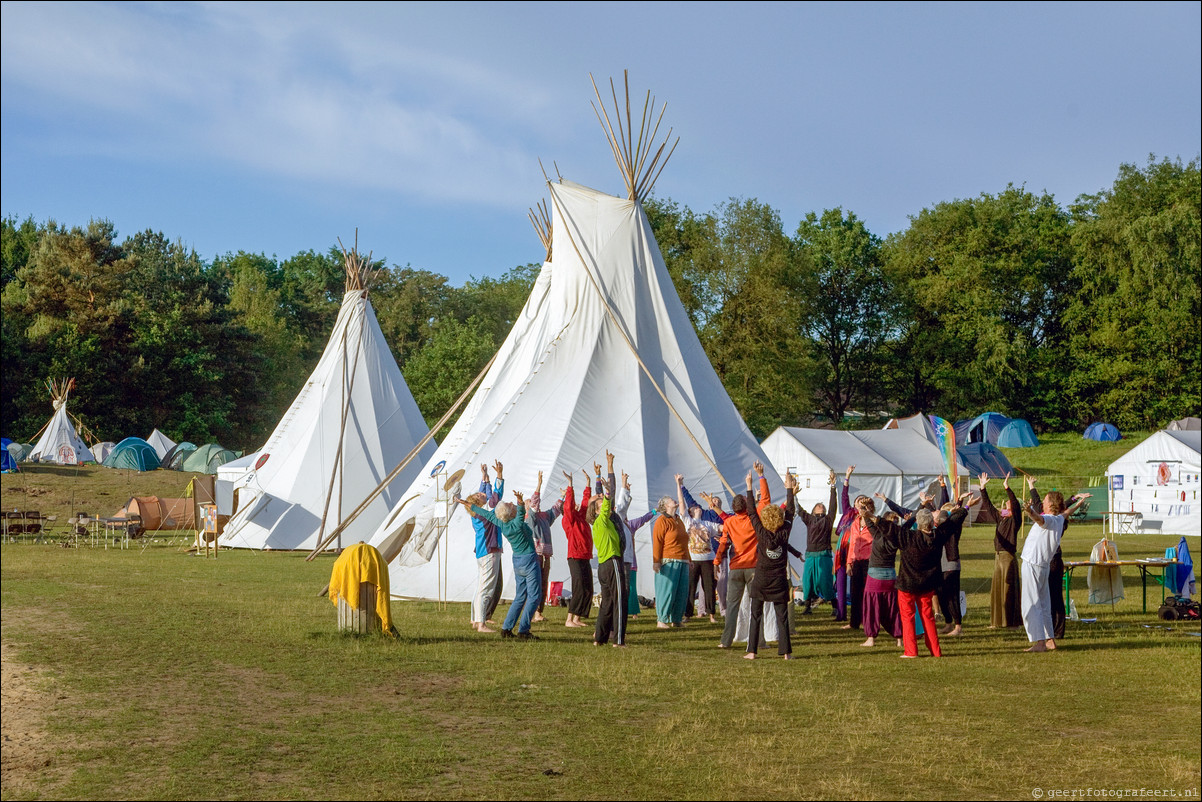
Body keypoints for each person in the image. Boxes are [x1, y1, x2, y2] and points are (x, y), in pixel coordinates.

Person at [460, 490, 540, 640]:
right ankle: (523, 630)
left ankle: (507, 628)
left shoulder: (501, 523)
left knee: (520, 596)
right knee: (534, 596)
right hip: (529, 559)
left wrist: (469, 504)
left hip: (518, 561)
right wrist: (520, 502)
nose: (512, 504)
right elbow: (521, 513)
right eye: (510, 505)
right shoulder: (516, 524)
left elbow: (487, 514)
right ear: (510, 513)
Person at [1020, 486, 1089, 652]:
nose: (1042, 502)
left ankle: (1039, 643)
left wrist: (1030, 511)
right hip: (1042, 566)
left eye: (1045, 500)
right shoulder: (1059, 519)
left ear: (1050, 505)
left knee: (1032, 604)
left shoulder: (1050, 519)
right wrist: (1080, 502)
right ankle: (1050, 640)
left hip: (1033, 564)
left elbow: (1039, 519)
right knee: (1044, 604)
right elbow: (1069, 511)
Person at [712, 462, 773, 648]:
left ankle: (725, 641)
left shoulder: (729, 522)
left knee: (732, 607)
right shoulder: (754, 520)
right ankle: (759, 641)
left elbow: (723, 543)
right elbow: (766, 501)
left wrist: (716, 562)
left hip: (736, 568)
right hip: (754, 567)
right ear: (747, 507)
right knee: (757, 605)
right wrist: (760, 476)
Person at [743, 470, 799, 660]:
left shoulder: (761, 532)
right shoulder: (785, 533)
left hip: (761, 580)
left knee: (755, 616)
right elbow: (790, 510)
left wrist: (749, 487)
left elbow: (751, 512)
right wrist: (789, 489)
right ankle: (786, 653)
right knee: (782, 617)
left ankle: (752, 651)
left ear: (764, 519)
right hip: (779, 580)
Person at [589, 452, 627, 646]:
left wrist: (608, 466)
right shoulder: (603, 518)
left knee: (607, 602)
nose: (606, 505)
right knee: (620, 600)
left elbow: (605, 499)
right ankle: (619, 640)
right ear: (597, 510)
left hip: (605, 565)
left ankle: (599, 638)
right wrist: (606, 491)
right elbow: (606, 501)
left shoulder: (598, 523)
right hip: (612, 562)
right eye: (601, 504)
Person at [978, 473, 1022, 628]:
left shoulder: (1015, 520)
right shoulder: (1001, 518)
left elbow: (1016, 505)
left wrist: (1007, 487)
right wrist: (983, 488)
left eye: (1009, 503)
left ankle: (1011, 622)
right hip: (998, 557)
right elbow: (989, 506)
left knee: (1009, 589)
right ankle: (997, 622)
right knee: (997, 590)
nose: (1008, 504)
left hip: (1008, 557)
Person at [860, 498, 903, 648]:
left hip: (875, 576)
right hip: (891, 576)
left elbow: (868, 521)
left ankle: (871, 638)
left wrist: (865, 508)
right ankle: (899, 638)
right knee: (893, 608)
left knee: (872, 608)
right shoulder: (898, 537)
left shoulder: (877, 535)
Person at [467, 461, 504, 633]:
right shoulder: (487, 511)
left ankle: (475, 619)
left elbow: (487, 497)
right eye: (480, 494)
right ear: (479, 502)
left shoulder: (477, 514)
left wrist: (485, 478)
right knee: (486, 588)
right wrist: (499, 477)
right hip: (490, 552)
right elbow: (495, 498)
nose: (482, 493)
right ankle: (481, 624)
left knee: (480, 586)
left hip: (482, 552)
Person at [797, 471, 838, 614]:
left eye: (822, 505)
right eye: (818, 505)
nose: (821, 505)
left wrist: (833, 486)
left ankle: (835, 607)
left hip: (824, 555)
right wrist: (792, 492)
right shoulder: (809, 519)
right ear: (813, 510)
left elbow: (833, 505)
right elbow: (797, 508)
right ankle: (807, 607)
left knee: (825, 581)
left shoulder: (828, 519)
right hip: (810, 555)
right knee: (807, 582)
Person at [681, 479, 721, 622]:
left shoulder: (708, 524)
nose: (697, 507)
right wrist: (680, 485)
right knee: (690, 587)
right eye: (694, 508)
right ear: (691, 512)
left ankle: (711, 614)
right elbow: (684, 503)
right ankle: (687, 614)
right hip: (693, 559)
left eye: (698, 506)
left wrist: (726, 537)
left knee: (709, 587)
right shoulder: (688, 522)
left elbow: (724, 526)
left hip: (708, 558)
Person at [526, 470, 563, 623]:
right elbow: (534, 504)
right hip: (536, 555)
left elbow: (556, 509)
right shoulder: (530, 519)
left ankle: (538, 612)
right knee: (535, 584)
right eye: (531, 504)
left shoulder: (544, 517)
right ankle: (533, 613)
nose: (535, 505)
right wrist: (539, 485)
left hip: (545, 556)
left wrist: (564, 495)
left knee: (542, 584)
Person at [653, 479, 691, 628]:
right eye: (671, 500)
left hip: (683, 560)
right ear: (665, 505)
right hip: (668, 560)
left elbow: (684, 541)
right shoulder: (662, 521)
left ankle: (676, 619)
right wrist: (656, 561)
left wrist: (689, 558)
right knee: (667, 590)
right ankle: (662, 619)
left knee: (681, 592)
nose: (673, 501)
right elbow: (657, 541)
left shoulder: (679, 520)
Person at [560, 469, 593, 628]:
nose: (576, 505)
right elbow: (568, 506)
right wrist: (570, 485)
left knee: (588, 588)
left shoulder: (581, 517)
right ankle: (569, 620)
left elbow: (586, 503)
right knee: (578, 587)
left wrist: (588, 484)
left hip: (585, 556)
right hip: (575, 556)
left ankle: (578, 617)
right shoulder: (569, 520)